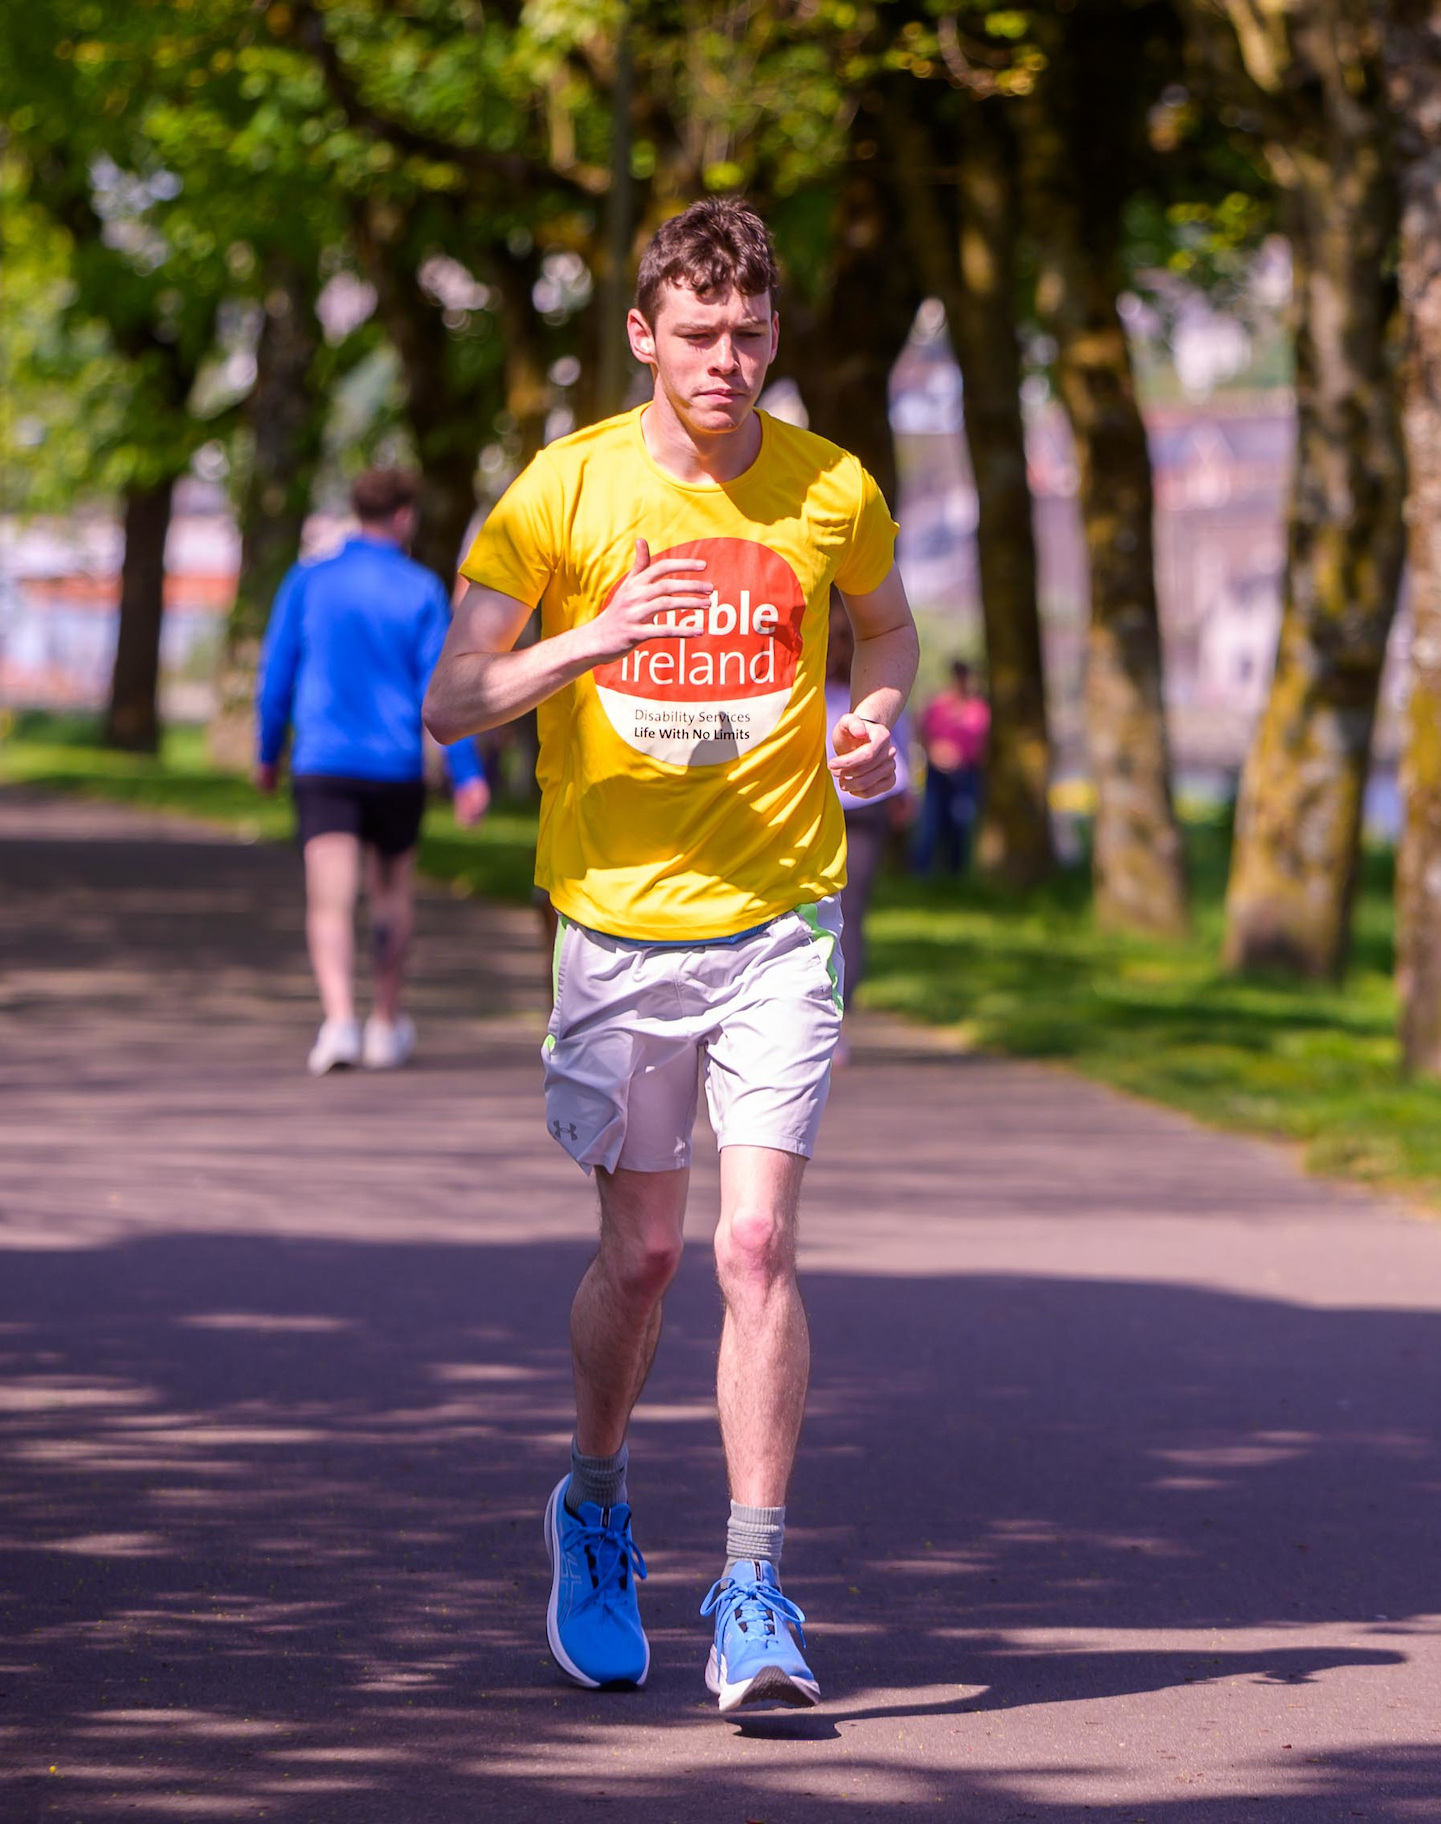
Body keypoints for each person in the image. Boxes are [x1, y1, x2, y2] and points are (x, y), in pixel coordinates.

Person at [423, 196, 917, 1712]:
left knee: (753, 1246)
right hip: (618, 929)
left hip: (784, 917)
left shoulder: (831, 487)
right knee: (639, 1259)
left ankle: (756, 1586)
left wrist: (874, 725)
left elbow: (885, 634)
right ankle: (594, 1501)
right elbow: (452, 700)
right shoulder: (558, 498)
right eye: (698, 334)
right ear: (643, 335)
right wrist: (591, 639)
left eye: (751, 333)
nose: (726, 360)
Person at [256, 468, 490, 1076]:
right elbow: (442, 686)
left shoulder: (308, 581)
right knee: (392, 894)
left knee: (329, 901)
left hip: (324, 763)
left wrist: (265, 751)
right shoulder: (419, 590)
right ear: (405, 516)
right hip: (394, 767)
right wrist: (466, 773)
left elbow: (277, 670)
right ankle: (385, 1023)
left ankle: (338, 1022)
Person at [824, 611, 912, 1061]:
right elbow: (900, 728)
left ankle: (814, 1021)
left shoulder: (800, 664)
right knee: (850, 915)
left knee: (801, 911)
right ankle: (837, 1025)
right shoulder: (875, 662)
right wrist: (907, 788)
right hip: (868, 797)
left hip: (812, 796)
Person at [910, 658, 987, 875]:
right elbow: (923, 733)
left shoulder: (978, 708)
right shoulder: (938, 706)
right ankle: (921, 874)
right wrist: (935, 753)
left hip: (966, 774)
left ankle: (955, 875)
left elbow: (982, 742)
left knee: (960, 824)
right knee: (930, 824)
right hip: (937, 774)